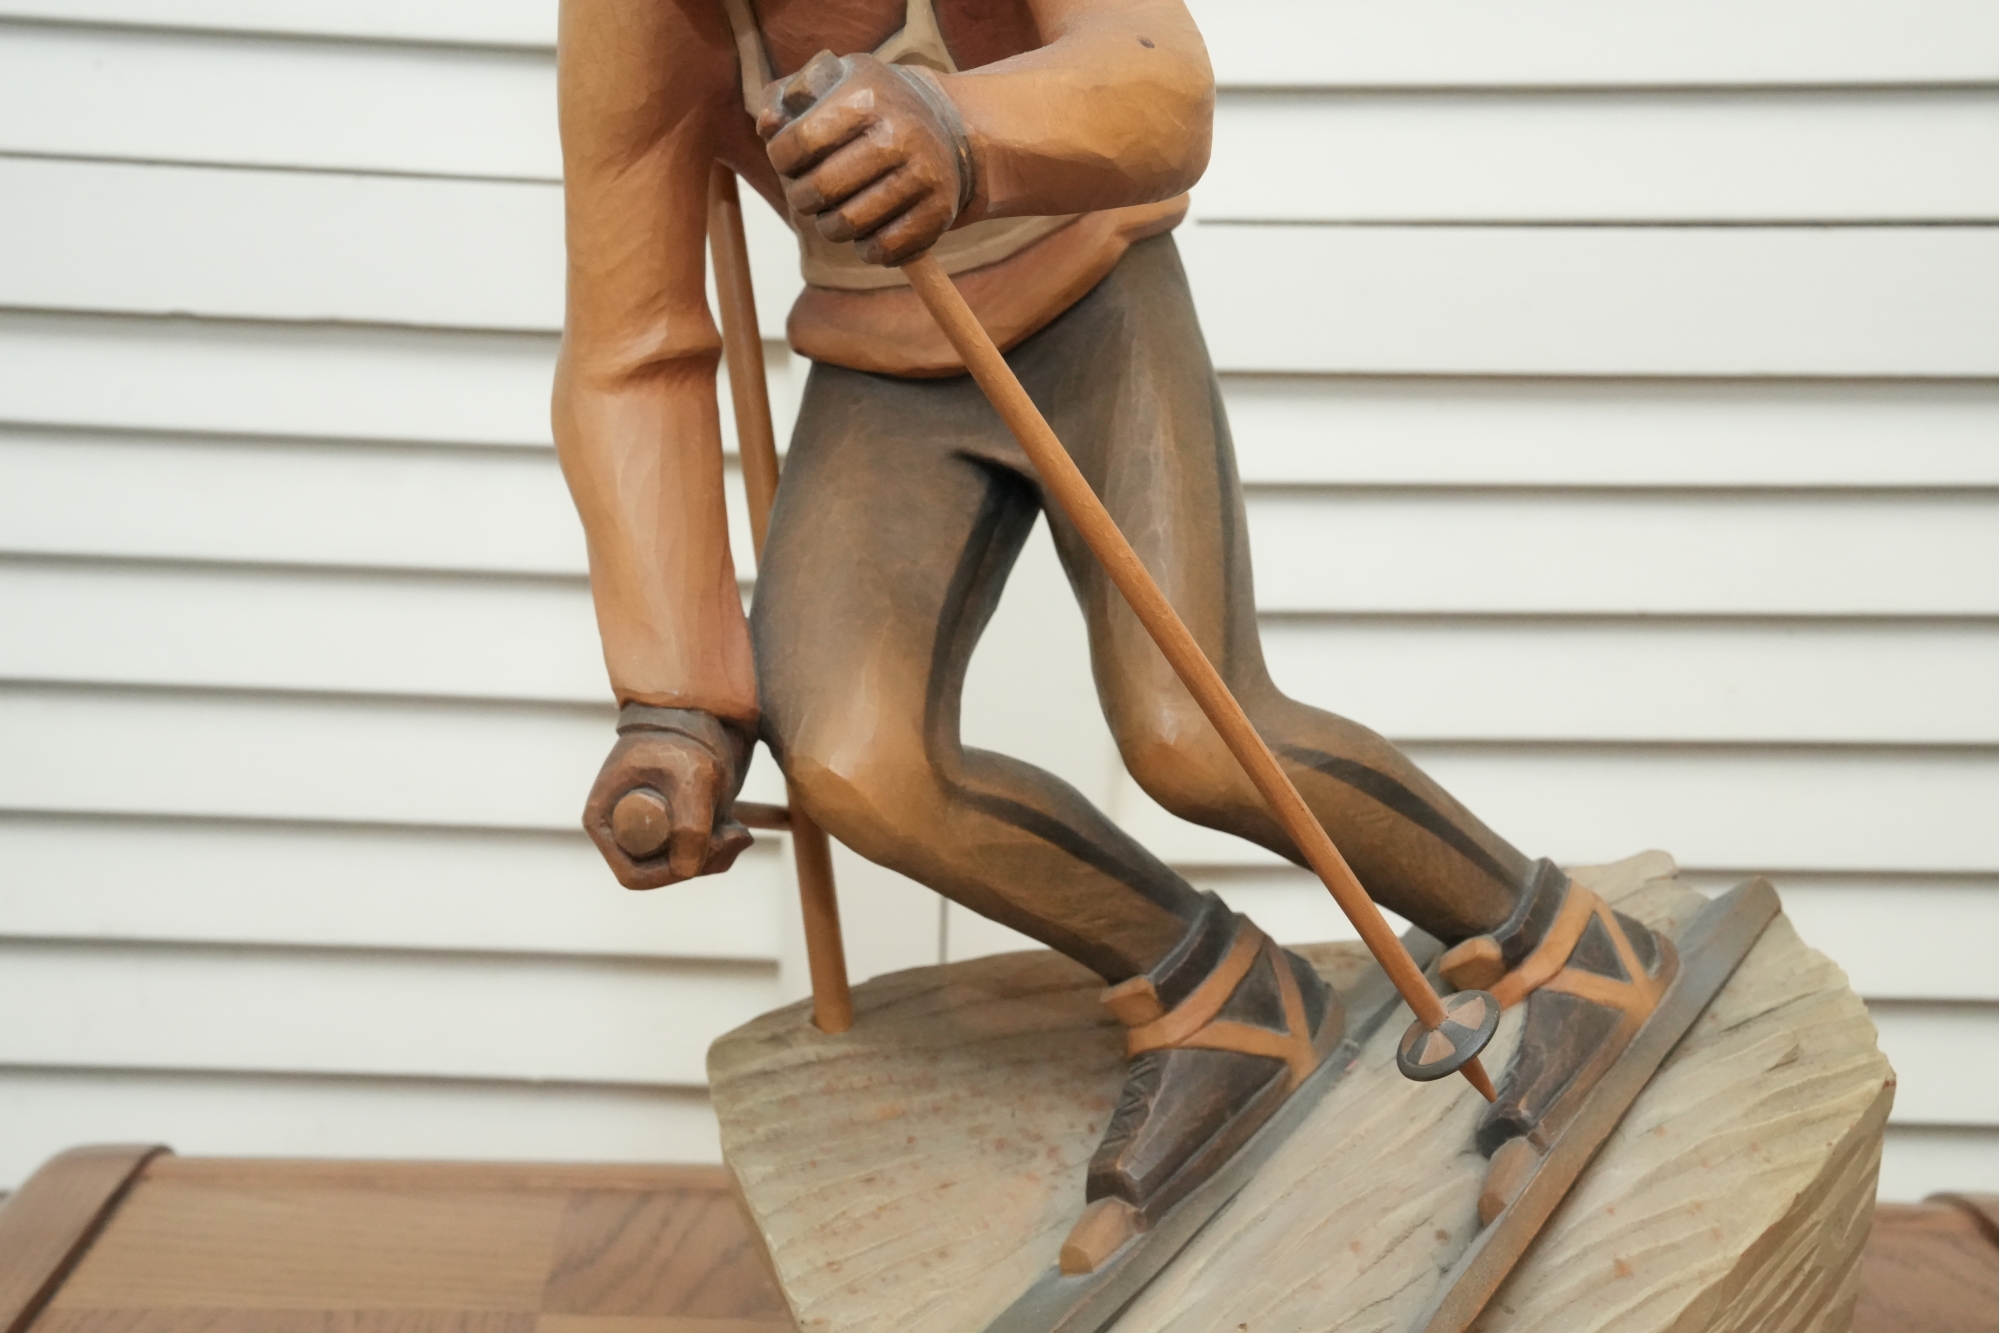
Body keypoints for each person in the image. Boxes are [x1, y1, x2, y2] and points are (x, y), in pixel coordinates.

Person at [553, 0, 1673, 1269]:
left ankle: (1568, 946)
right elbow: (629, 341)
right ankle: (1221, 995)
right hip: (878, 364)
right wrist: (674, 703)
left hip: (1095, 292)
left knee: (1191, 728)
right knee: (856, 765)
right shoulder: (637, 16)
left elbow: (1160, 77)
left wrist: (956, 128)